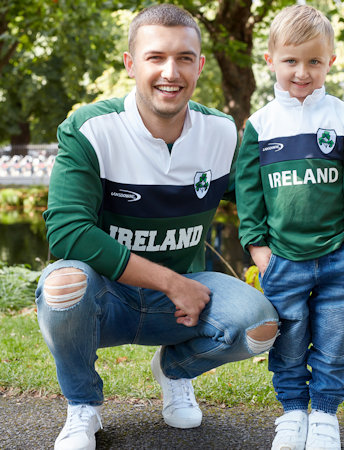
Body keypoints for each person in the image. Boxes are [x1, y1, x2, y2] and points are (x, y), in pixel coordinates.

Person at [36, 5, 279, 450]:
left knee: (259, 325)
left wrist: (318, 239)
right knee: (63, 283)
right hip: (107, 297)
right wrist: (170, 282)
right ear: (131, 63)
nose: (171, 72)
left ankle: (175, 370)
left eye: (185, 58)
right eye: (156, 57)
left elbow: (260, 200)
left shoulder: (222, 132)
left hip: (184, 303)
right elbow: (67, 232)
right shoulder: (90, 130)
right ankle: (83, 406)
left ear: (200, 65)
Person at [235, 5, 344, 450]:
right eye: (291, 61)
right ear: (271, 61)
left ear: (330, 62)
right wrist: (259, 251)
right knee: (289, 343)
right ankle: (293, 413)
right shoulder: (259, 125)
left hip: (339, 257)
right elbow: (249, 191)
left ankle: (326, 417)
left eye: (314, 61)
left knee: (335, 343)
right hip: (283, 260)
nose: (302, 71)